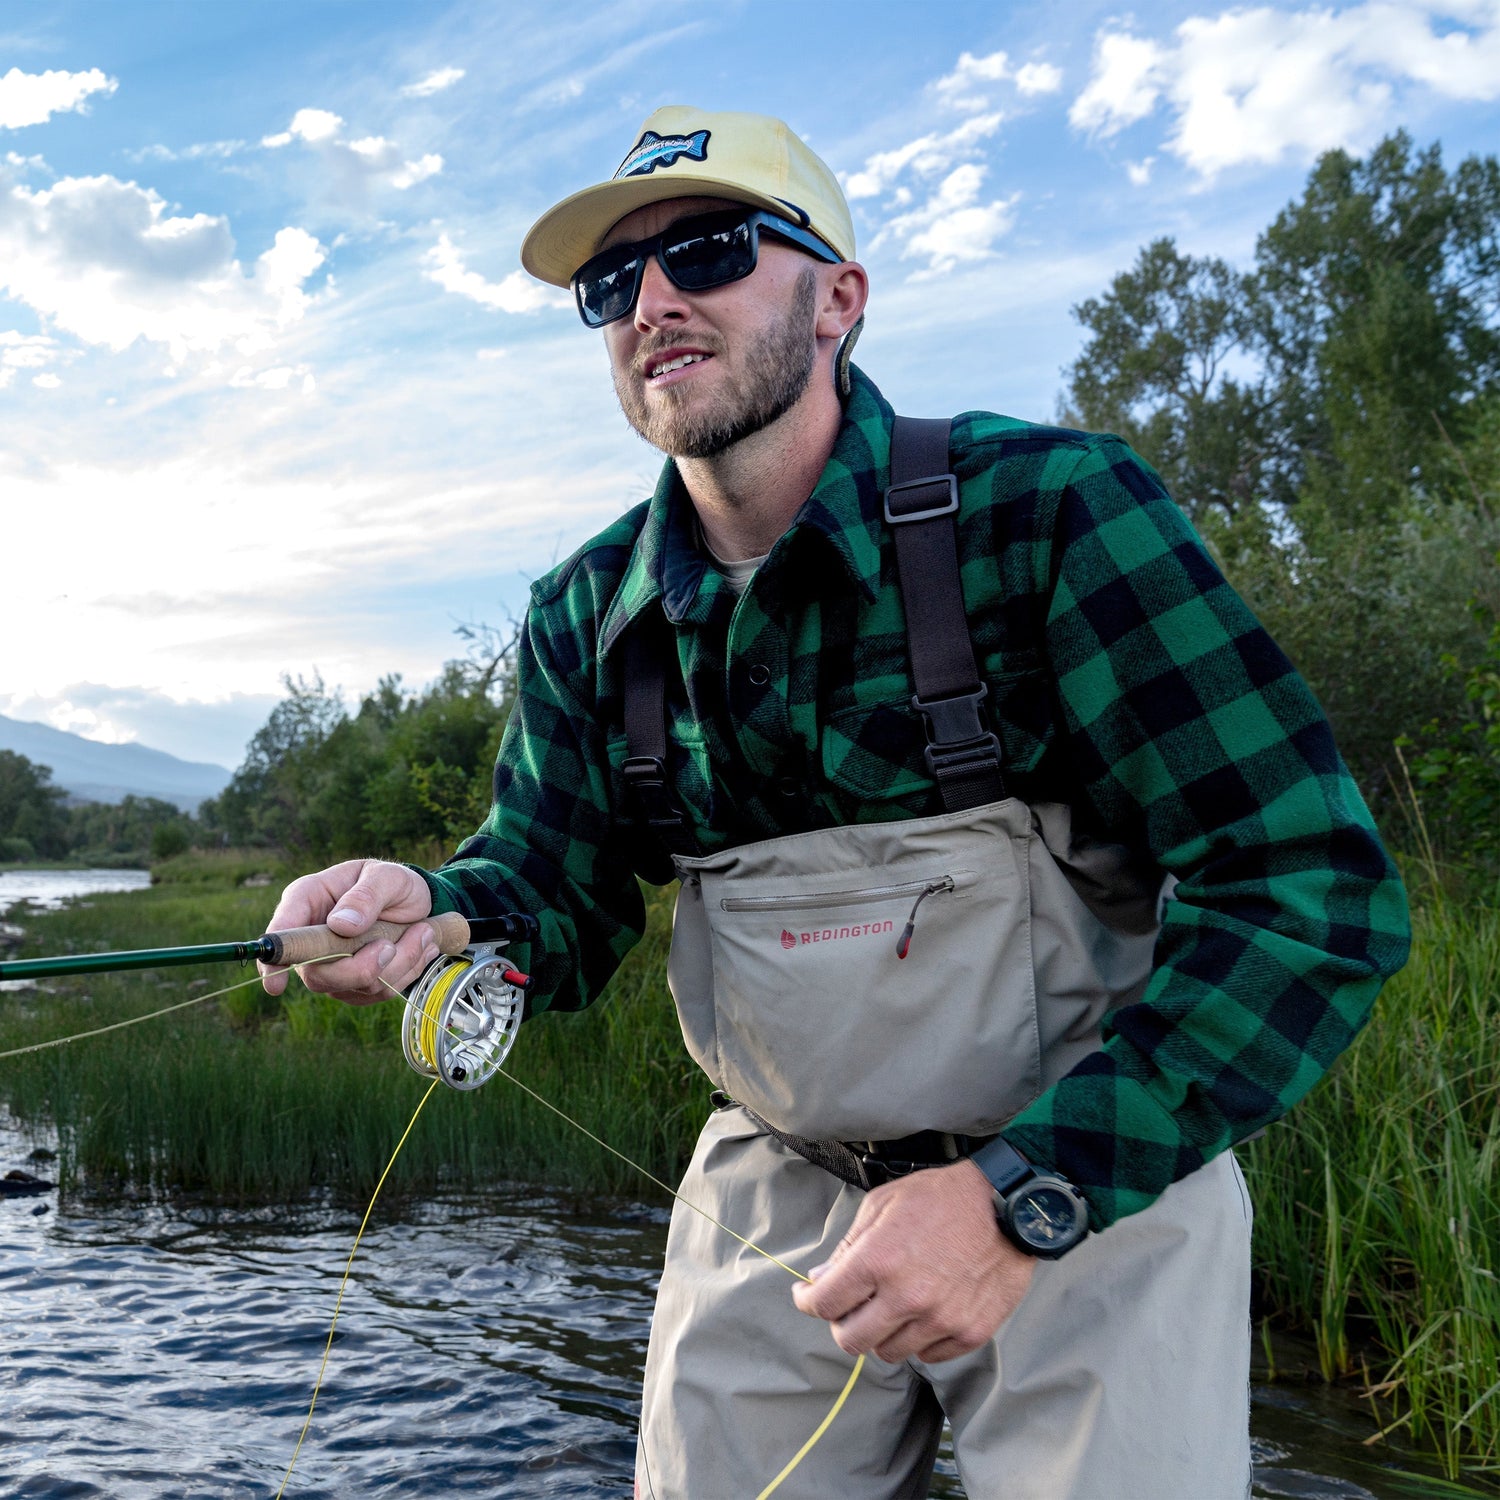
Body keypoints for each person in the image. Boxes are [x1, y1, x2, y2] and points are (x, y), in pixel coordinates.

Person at [261, 107, 1410, 1498]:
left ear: (839, 300)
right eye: (614, 284)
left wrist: (1019, 1198)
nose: (656, 302)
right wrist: (437, 914)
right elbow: (552, 899)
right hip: (775, 1194)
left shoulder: (1051, 514)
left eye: (710, 250)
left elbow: (1313, 890)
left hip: (1099, 1182)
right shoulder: (585, 614)